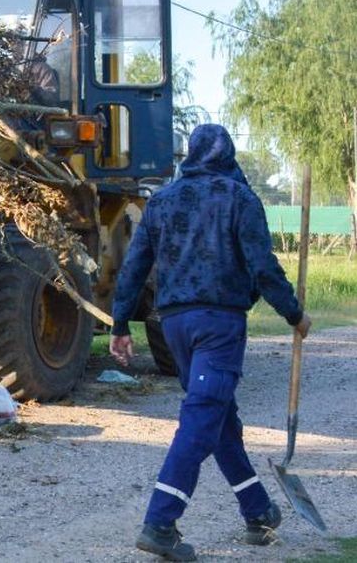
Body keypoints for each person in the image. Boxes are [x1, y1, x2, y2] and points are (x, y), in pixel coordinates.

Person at [110, 124, 311, 561]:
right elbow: (262, 268)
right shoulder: (240, 199)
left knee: (220, 419)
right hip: (219, 325)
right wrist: (294, 315)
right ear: (228, 155)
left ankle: (258, 511)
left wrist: (120, 324)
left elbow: (133, 268)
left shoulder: (161, 202)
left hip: (175, 326)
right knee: (202, 418)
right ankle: (160, 522)